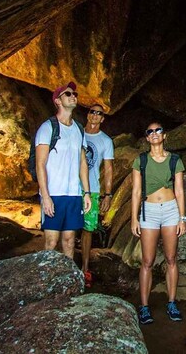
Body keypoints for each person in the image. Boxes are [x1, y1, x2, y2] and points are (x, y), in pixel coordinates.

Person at [131, 122, 186, 325]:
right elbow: (136, 192)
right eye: (150, 131)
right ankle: (144, 307)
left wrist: (183, 218)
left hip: (171, 210)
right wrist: (134, 218)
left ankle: (172, 303)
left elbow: (180, 191)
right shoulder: (141, 161)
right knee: (147, 260)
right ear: (147, 138)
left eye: (158, 130)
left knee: (171, 258)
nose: (154, 134)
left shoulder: (175, 160)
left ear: (164, 135)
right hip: (149, 211)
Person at [35, 82, 92, 259]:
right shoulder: (48, 128)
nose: (73, 96)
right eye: (68, 94)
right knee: (51, 242)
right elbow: (40, 164)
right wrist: (45, 197)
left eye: (74, 93)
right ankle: (46, 283)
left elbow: (82, 162)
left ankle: (69, 284)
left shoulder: (79, 129)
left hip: (74, 194)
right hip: (54, 193)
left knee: (69, 240)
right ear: (58, 101)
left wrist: (87, 192)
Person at [81, 103, 114, 287]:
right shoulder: (77, 133)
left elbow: (108, 169)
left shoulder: (106, 141)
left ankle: (85, 269)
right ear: (88, 115)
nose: (95, 115)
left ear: (102, 118)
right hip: (71, 188)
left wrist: (107, 195)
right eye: (92, 111)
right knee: (67, 229)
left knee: (88, 229)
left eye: (99, 113)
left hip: (92, 189)